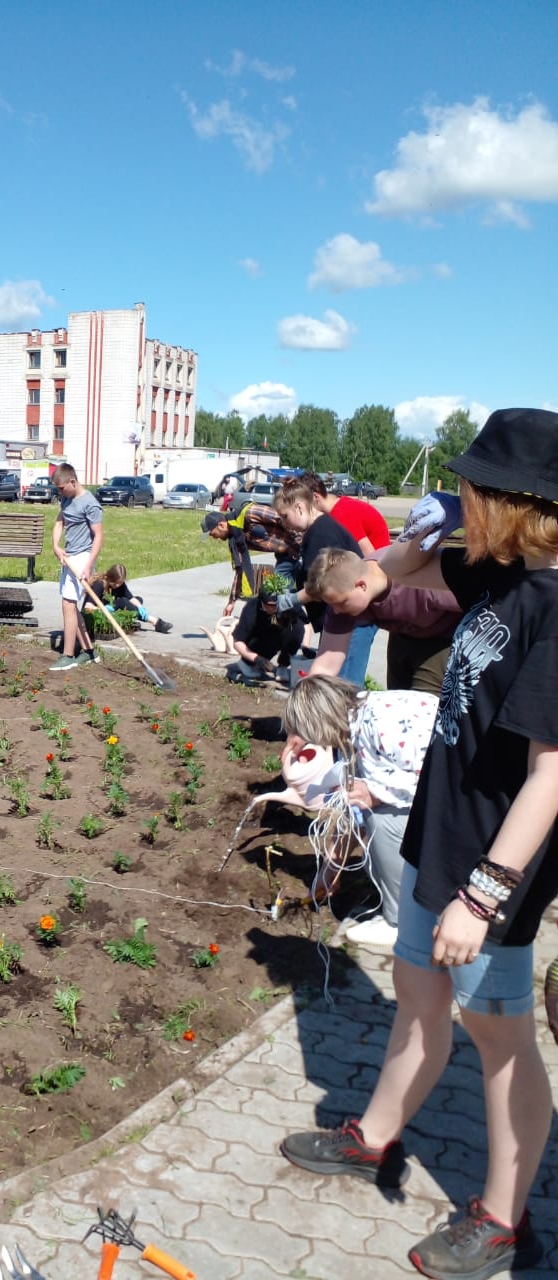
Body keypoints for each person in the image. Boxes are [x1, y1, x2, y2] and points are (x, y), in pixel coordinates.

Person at [281, 408, 558, 1280]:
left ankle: (503, 1219)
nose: (461, 498)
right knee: (416, 997)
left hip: (493, 865)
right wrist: (418, 533)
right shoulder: (499, 576)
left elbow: (554, 775)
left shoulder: (555, 607)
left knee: (499, 1037)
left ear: (517, 502)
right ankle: (376, 1136)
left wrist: (484, 897)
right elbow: (373, 583)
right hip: (444, 836)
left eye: (473, 488)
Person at [281, 675, 438, 946]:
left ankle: (401, 923)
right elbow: (350, 814)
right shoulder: (362, 715)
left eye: (307, 732)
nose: (312, 741)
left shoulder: (380, 726)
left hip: (470, 799)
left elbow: (433, 779)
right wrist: (330, 868)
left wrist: (375, 794)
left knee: (379, 818)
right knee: (368, 809)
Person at [305, 547, 461, 693]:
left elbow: (479, 603)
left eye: (339, 603)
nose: (336, 611)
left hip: (443, 638)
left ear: (361, 585)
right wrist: (306, 697)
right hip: (403, 635)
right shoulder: (343, 594)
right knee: (396, 700)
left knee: (422, 704)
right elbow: (326, 663)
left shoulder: (422, 580)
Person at [302, 471, 391, 682]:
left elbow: (370, 556)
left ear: (315, 497)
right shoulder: (340, 508)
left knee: (347, 674)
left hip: (371, 591)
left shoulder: (342, 514)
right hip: (361, 591)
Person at [272, 478, 361, 637]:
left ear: (299, 507)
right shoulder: (317, 529)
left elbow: (324, 585)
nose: (284, 523)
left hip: (347, 620)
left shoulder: (321, 533)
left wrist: (292, 600)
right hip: (339, 617)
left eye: (285, 516)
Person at [50, 463, 103, 671]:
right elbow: (59, 522)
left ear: (73, 482)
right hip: (69, 556)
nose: (60, 492)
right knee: (70, 606)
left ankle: (68, 655)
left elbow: (99, 536)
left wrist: (89, 565)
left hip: (83, 557)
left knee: (68, 604)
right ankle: (89, 652)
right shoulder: (67, 499)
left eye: (62, 488)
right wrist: (56, 546)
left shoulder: (90, 503)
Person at [204, 578, 304, 682]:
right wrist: (256, 658)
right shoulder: (251, 608)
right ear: (262, 602)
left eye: (275, 605)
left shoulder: (286, 603)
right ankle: (247, 663)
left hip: (276, 635)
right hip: (257, 643)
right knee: (266, 635)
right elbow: (237, 642)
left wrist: (305, 647)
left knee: (296, 628)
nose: (272, 609)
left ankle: (283, 666)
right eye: (269, 605)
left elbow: (305, 625)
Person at [86, 563, 172, 633]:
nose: (117, 586)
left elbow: (130, 598)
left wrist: (140, 607)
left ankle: (131, 617)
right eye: (115, 583)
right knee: (122, 602)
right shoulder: (99, 584)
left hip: (112, 608)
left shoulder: (120, 585)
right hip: (96, 614)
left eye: (120, 583)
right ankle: (155, 621)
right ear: (109, 578)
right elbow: (87, 606)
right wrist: (105, 609)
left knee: (138, 600)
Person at [200, 509, 254, 610]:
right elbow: (239, 571)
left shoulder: (247, 515)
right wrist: (231, 602)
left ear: (221, 525)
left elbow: (274, 515)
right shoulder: (234, 540)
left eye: (213, 534)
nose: (214, 538)